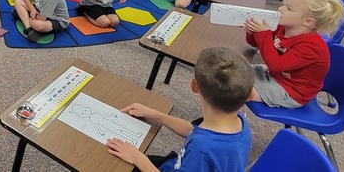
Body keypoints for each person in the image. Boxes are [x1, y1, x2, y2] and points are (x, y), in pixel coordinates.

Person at [106, 47, 254, 172]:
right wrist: (155, 115)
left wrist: (137, 158)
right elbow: (194, 130)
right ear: (249, 95)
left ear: (194, 85)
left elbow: (202, 143)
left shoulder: (200, 149)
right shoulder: (237, 120)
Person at [243, 0, 344, 108]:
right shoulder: (283, 28)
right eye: (283, 5)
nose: (280, 9)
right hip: (275, 75)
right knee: (235, 70)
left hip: (292, 91)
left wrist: (263, 35)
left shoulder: (312, 46)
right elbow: (256, 43)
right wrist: (252, 32)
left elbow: (276, 65)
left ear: (308, 21)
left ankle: (235, 116)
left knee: (237, 90)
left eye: (288, 8)